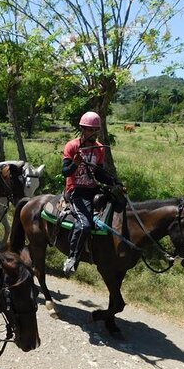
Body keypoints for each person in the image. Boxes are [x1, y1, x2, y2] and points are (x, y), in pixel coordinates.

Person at [61, 111, 107, 276]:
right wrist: (75, 163)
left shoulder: (100, 148)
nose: (93, 133)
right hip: (76, 191)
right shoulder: (72, 146)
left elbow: (100, 173)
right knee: (85, 225)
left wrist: (115, 183)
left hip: (92, 189)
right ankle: (72, 257)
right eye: (90, 130)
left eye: (95, 130)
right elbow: (65, 172)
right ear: (82, 129)